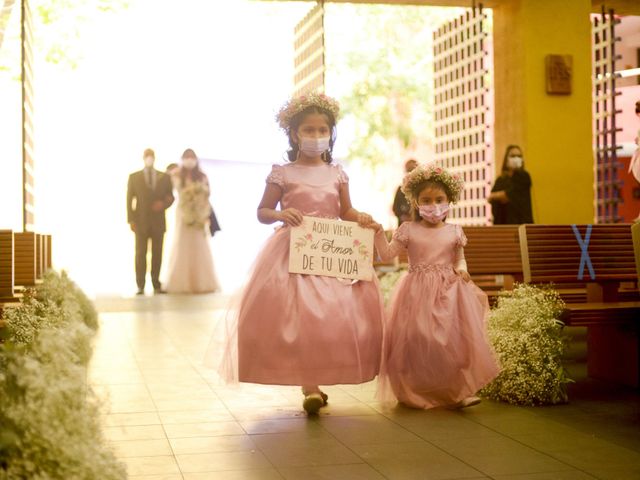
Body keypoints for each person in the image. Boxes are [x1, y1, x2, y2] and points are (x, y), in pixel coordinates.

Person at [212, 93, 384, 415]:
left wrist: (360, 217)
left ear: (330, 133)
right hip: (294, 251)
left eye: (322, 130)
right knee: (302, 317)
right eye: (309, 130)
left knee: (332, 317)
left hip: (333, 249)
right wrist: (281, 214)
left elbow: (345, 209)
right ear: (294, 134)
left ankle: (322, 374)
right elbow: (262, 211)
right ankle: (310, 385)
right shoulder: (283, 173)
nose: (316, 136)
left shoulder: (337, 174)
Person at [373, 163, 500, 409]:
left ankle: (458, 391)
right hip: (416, 292)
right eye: (426, 200)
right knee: (417, 339)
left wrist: (463, 270)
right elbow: (386, 254)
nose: (433, 205)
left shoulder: (454, 231)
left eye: (439, 199)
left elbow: (459, 258)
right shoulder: (408, 229)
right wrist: (379, 232)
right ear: (416, 202)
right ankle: (412, 391)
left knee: (454, 341)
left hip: (449, 291)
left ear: (449, 200)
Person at [164, 149, 220, 294]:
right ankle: (182, 282)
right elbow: (167, 192)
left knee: (199, 246)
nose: (189, 160)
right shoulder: (176, 175)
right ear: (182, 159)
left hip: (199, 214)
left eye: (192, 157)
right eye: (186, 157)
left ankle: (202, 282)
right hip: (183, 213)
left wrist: (202, 211)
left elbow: (207, 195)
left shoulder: (202, 176)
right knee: (182, 245)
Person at [127, 148, 174, 295]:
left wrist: (163, 204)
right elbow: (129, 200)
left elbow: (170, 197)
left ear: (154, 158)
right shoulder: (134, 177)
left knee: (157, 253)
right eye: (147, 156)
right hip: (140, 222)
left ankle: (156, 283)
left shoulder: (164, 177)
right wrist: (131, 220)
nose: (149, 158)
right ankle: (140, 285)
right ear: (143, 158)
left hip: (158, 221)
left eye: (151, 156)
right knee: (140, 253)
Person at [487, 145, 534, 224]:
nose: (516, 158)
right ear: (506, 159)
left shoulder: (524, 176)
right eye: (513, 156)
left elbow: (508, 195)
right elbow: (490, 200)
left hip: (521, 224)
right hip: (502, 225)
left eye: (519, 156)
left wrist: (495, 196)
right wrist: (496, 197)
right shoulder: (500, 179)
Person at [392, 159, 418, 226]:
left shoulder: (422, 189)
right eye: (409, 170)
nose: (410, 173)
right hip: (404, 226)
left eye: (413, 170)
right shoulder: (400, 189)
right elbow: (395, 208)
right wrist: (403, 217)